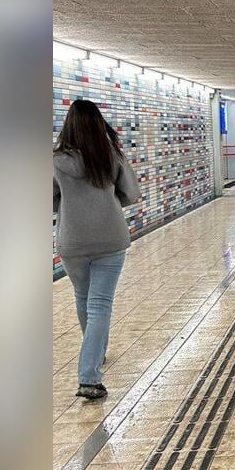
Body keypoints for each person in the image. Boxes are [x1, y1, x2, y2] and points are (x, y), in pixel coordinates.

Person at [53, 98, 141, 401]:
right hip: (110, 238)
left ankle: (95, 353)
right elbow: (131, 193)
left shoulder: (54, 160)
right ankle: (89, 375)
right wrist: (107, 202)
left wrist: (69, 205)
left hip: (73, 241)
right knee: (100, 305)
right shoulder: (110, 155)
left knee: (83, 297)